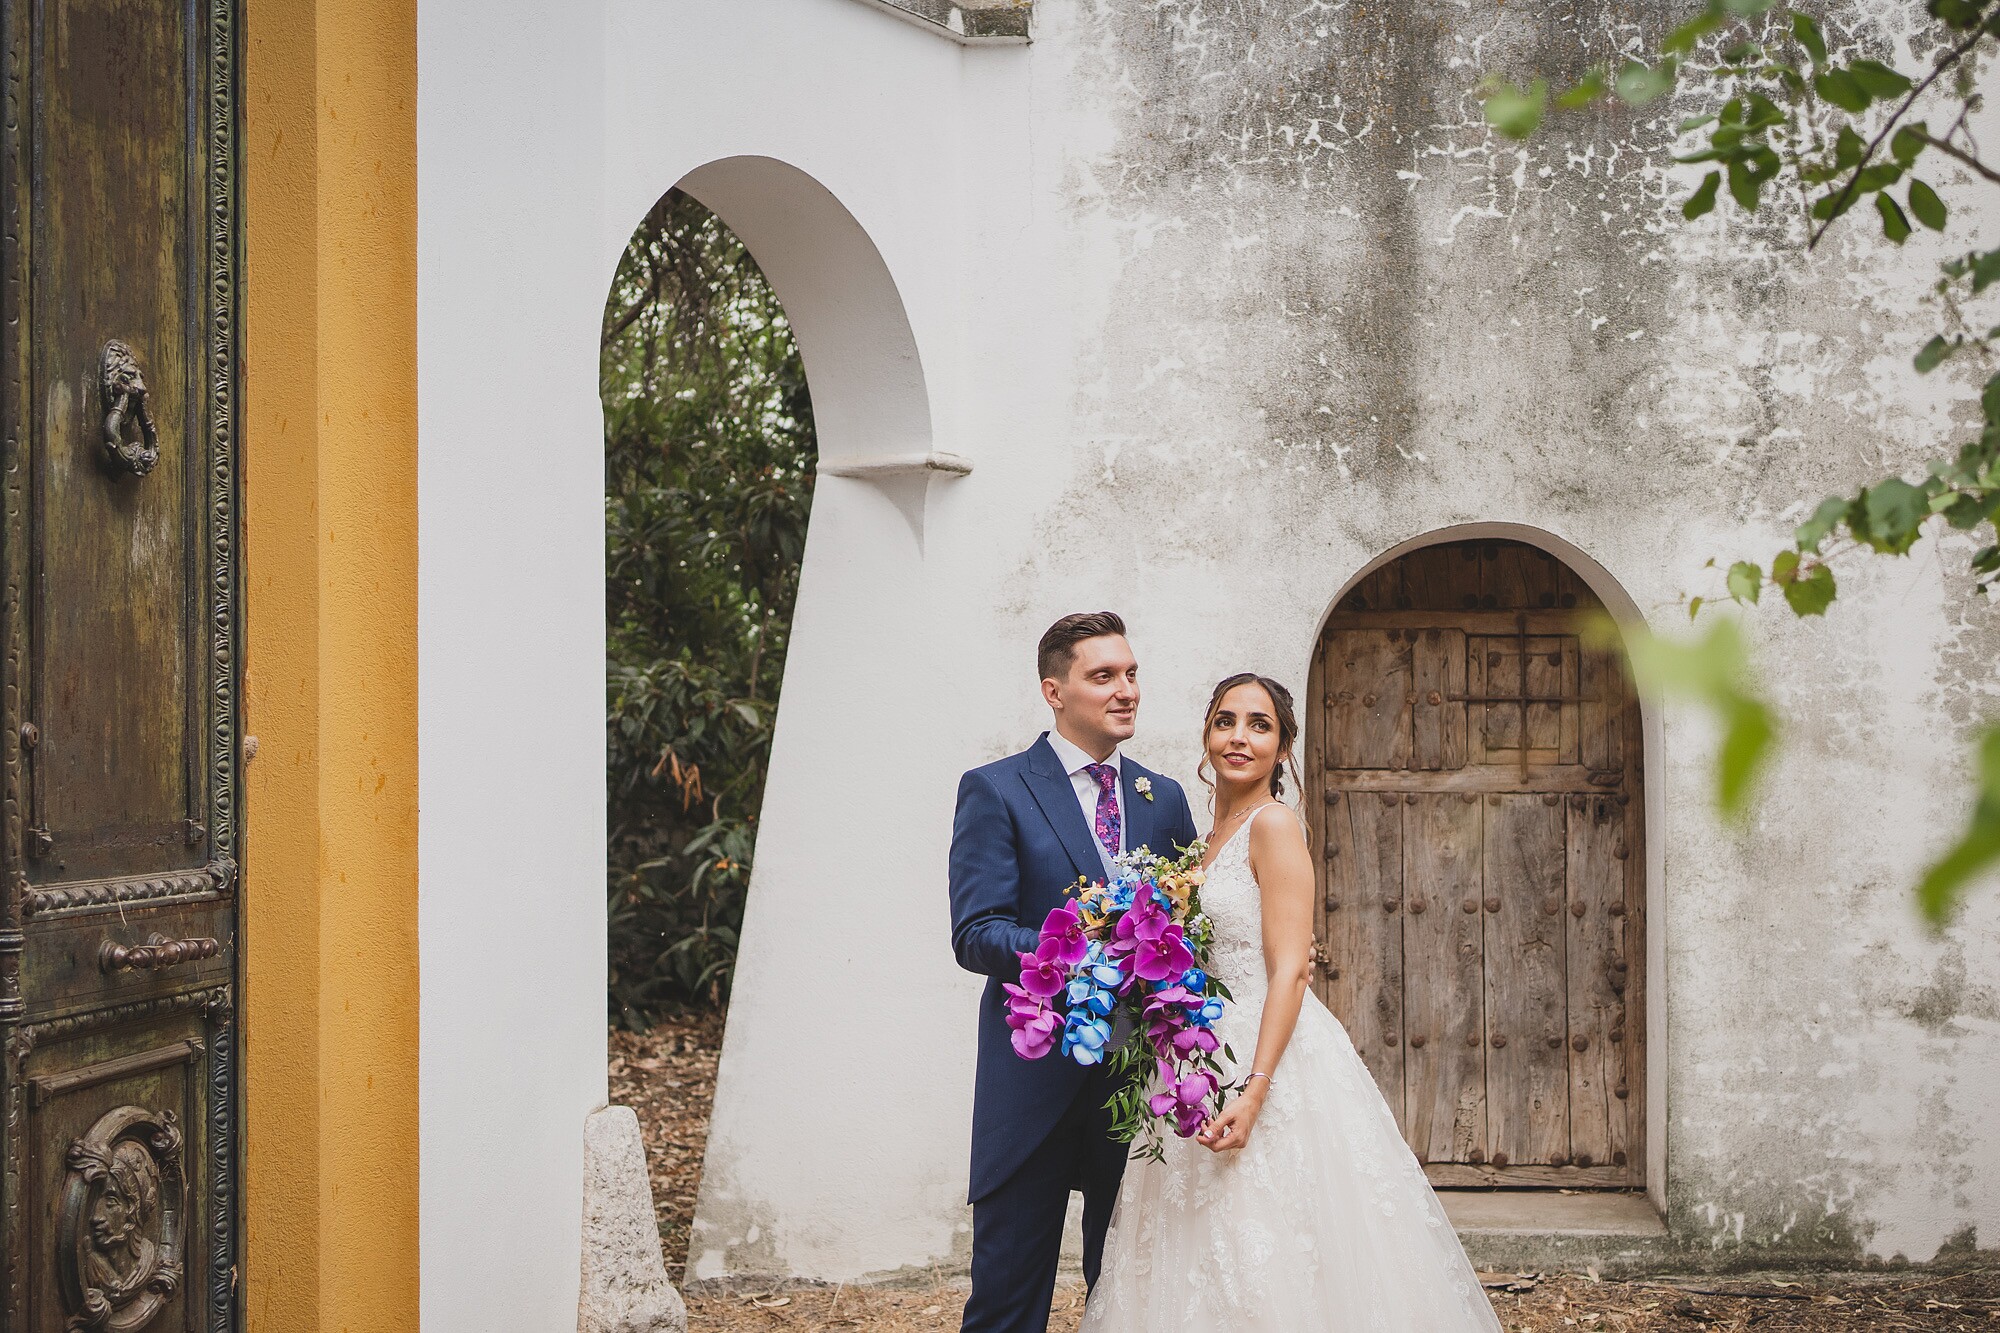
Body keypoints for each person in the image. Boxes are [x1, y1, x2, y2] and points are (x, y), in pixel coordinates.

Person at [1079, 673, 1501, 1332]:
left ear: (1283, 750)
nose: (1238, 736)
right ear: (1207, 733)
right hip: (1194, 1056)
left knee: (1269, 1251)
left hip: (1263, 1053)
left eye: (1258, 724)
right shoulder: (1205, 839)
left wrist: (1253, 1090)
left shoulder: (1272, 825)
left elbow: (1288, 972)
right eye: (1225, 720)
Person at [949, 612, 1200, 1333]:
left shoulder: (1164, 798)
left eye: (1131, 673)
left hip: (1135, 1082)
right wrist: (1085, 946)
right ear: (1054, 691)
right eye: (1104, 676)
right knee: (1006, 1297)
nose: (1126, 690)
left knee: (1127, 1290)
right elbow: (976, 932)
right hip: (1031, 1081)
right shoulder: (996, 790)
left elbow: (1186, 929)